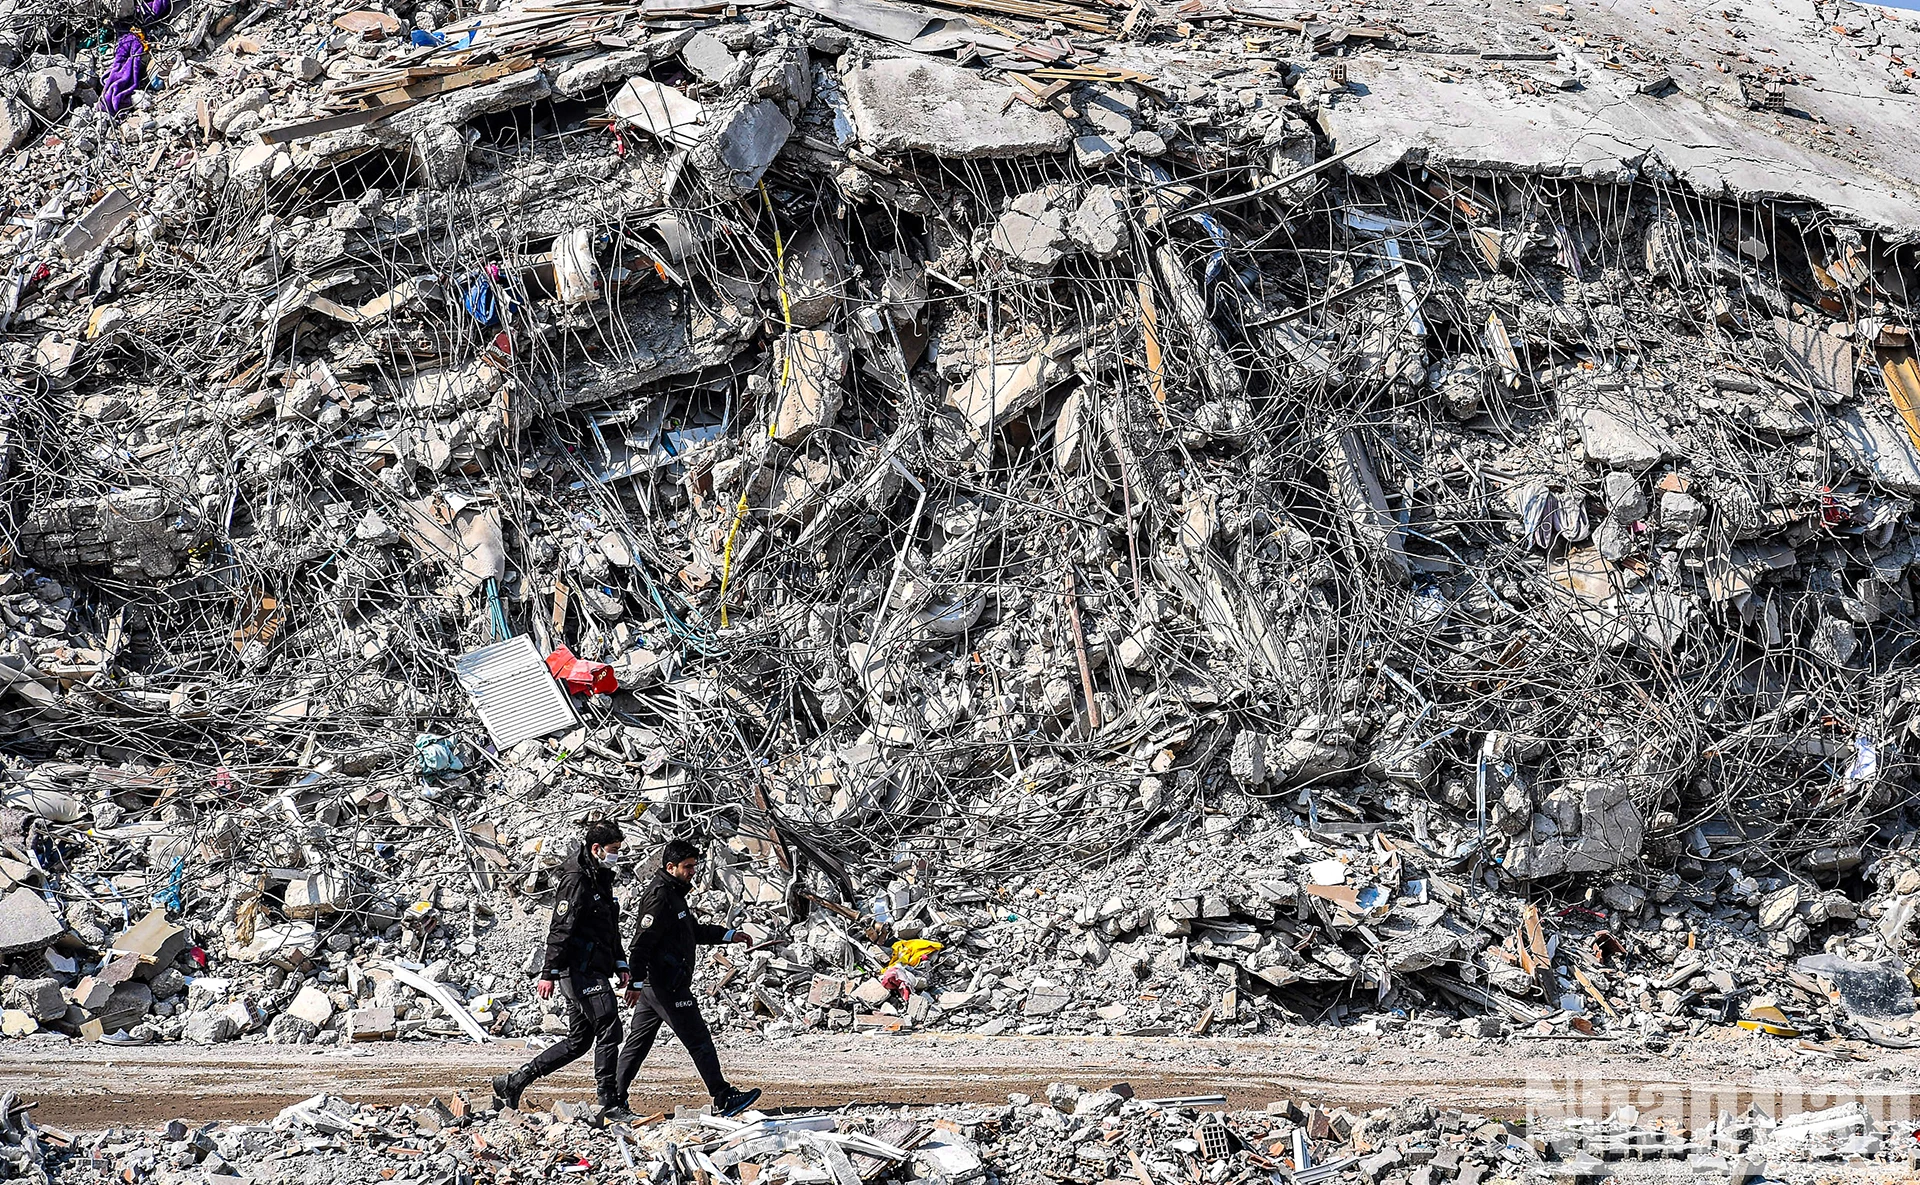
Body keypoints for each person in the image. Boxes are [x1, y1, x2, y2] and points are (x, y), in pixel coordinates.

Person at [610, 838, 760, 1118]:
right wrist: (636, 982)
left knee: (638, 1043)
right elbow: (641, 943)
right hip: (667, 986)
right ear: (671, 867)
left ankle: (613, 1099)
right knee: (699, 1039)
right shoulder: (660, 897)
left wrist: (728, 935)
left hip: (658, 986)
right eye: (688, 867)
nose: (693, 871)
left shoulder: (674, 895)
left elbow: (691, 930)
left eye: (694, 866)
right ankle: (723, 1096)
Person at [492, 820, 630, 1115]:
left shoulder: (601, 876)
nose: (617, 855)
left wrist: (620, 962)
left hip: (594, 966)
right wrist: (548, 972)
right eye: (613, 849)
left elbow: (609, 927)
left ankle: (515, 1081)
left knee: (579, 1041)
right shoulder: (576, 879)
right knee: (608, 1026)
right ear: (596, 849)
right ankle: (608, 1102)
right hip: (578, 969)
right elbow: (560, 928)